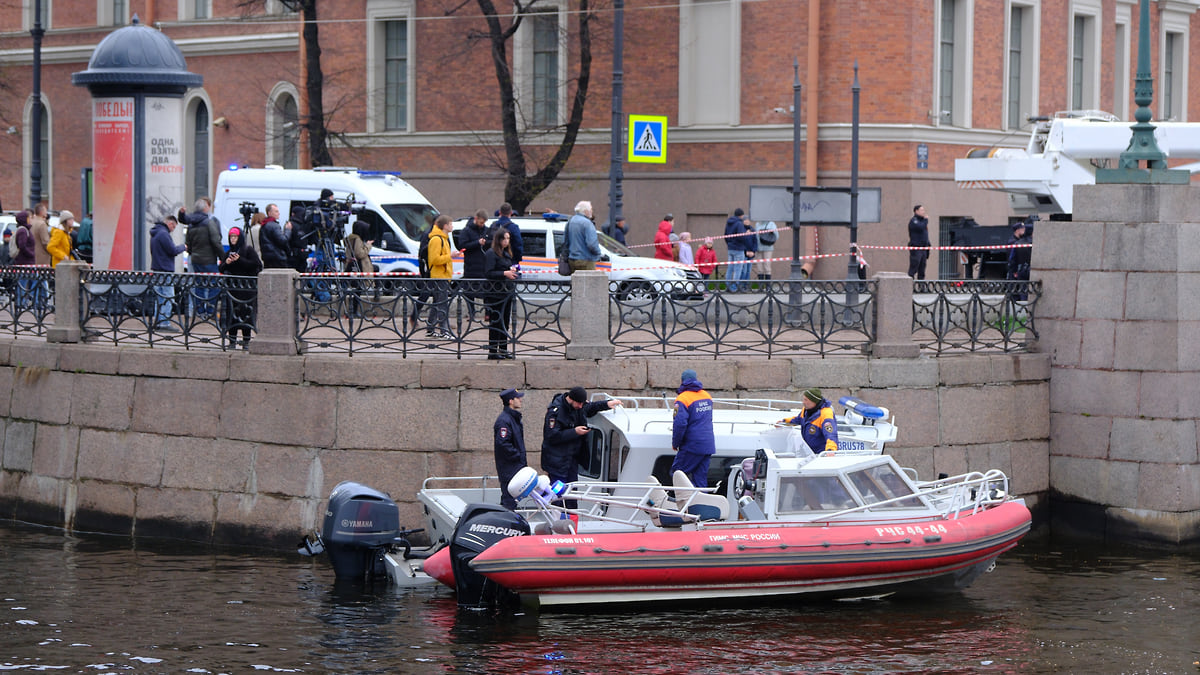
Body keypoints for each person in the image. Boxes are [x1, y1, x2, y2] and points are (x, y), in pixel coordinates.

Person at [541, 386, 623, 501]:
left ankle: (571, 516)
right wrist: (574, 432)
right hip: (557, 462)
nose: (580, 406)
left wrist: (607, 404)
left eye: (582, 403)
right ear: (571, 399)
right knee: (557, 496)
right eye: (579, 403)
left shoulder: (579, 406)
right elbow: (552, 436)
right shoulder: (555, 412)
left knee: (571, 495)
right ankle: (557, 516)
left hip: (571, 460)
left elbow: (590, 407)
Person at [218, 225, 263, 350]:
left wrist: (240, 260)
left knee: (245, 316)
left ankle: (246, 341)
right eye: (231, 237)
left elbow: (256, 265)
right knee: (232, 315)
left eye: (235, 237)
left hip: (246, 289)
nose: (233, 239)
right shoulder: (228, 252)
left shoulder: (248, 250)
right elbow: (221, 269)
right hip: (232, 289)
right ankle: (232, 340)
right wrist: (226, 263)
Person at [671, 369, 716, 487]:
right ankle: (700, 502)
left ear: (682, 381)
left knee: (677, 474)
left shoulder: (682, 399)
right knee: (700, 479)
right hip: (708, 445)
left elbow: (679, 424)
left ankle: (681, 502)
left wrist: (675, 443)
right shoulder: (707, 396)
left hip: (692, 445)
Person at [180, 197, 223, 316]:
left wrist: (193, 253)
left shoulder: (191, 224)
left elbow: (188, 243)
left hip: (196, 260)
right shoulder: (209, 223)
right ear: (206, 208)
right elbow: (216, 241)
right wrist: (222, 256)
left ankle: (199, 310)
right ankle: (210, 310)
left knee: (199, 285)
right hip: (209, 260)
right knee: (213, 286)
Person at [483, 228, 519, 359]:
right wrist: (505, 273)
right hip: (495, 293)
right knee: (495, 322)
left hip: (506, 292)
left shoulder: (506, 253)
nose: (506, 241)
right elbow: (488, 273)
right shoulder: (491, 253)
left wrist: (511, 270)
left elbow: (505, 267)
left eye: (508, 239)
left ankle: (503, 349)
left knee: (505, 321)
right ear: (498, 240)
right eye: (504, 239)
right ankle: (493, 351)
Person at [150, 216, 187, 332]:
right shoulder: (163, 234)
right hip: (165, 270)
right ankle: (164, 323)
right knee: (168, 297)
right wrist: (183, 247)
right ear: (170, 223)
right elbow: (173, 250)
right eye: (173, 226)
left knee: (160, 298)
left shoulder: (155, 233)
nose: (173, 229)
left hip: (157, 270)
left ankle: (158, 322)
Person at [494, 387, 527, 510]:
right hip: (509, 469)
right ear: (510, 401)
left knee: (512, 501)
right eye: (518, 398)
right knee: (509, 502)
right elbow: (503, 444)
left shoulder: (513, 418)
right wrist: (517, 456)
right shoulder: (504, 420)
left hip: (515, 468)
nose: (520, 400)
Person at [779, 388, 839, 455]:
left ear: (814, 401)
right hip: (808, 450)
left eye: (806, 400)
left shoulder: (826, 414)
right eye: (803, 399)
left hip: (820, 453)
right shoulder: (806, 410)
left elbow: (831, 434)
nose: (803, 402)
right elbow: (798, 419)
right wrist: (784, 422)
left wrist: (830, 450)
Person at [426, 214, 455, 338]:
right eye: (450, 224)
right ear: (445, 226)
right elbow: (435, 259)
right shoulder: (437, 239)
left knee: (437, 302)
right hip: (439, 276)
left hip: (443, 275)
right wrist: (450, 256)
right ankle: (444, 330)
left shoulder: (443, 238)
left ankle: (430, 328)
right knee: (442, 304)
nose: (452, 226)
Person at [343, 220, 373, 319]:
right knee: (357, 289)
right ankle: (354, 311)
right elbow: (359, 253)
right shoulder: (358, 239)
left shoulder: (351, 238)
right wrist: (368, 245)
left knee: (355, 289)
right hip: (357, 267)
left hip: (351, 267)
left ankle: (353, 310)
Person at [724, 207, 757, 291]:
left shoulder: (729, 223)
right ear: (741, 215)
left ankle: (728, 286)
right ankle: (734, 287)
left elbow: (725, 235)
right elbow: (741, 236)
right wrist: (746, 234)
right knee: (738, 269)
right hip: (738, 249)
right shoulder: (739, 223)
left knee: (730, 268)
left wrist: (729, 244)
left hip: (730, 248)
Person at [565, 200, 601, 272]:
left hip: (572, 259)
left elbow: (565, 241)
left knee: (576, 282)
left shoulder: (571, 221)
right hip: (586, 260)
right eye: (590, 209)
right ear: (585, 211)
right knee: (589, 282)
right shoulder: (587, 223)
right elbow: (592, 244)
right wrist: (598, 253)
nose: (591, 211)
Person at [1007, 219, 1033, 301]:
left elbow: (1012, 258)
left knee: (1022, 289)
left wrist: (1014, 270)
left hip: (1020, 269)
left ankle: (1021, 306)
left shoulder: (1017, 243)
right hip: (1026, 269)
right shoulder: (1013, 242)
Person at [259, 203, 291, 269]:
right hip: (277, 258)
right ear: (269, 213)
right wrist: (288, 230)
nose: (278, 213)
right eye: (276, 211)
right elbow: (283, 240)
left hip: (267, 257)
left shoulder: (264, 225)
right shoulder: (274, 226)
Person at [906, 204, 930, 280]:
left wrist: (928, 245)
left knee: (922, 269)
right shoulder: (914, 221)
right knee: (914, 267)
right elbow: (920, 227)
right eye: (922, 210)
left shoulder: (923, 221)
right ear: (916, 211)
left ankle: (921, 287)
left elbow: (925, 234)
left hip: (924, 248)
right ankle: (910, 285)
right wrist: (926, 220)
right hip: (916, 248)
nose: (924, 212)